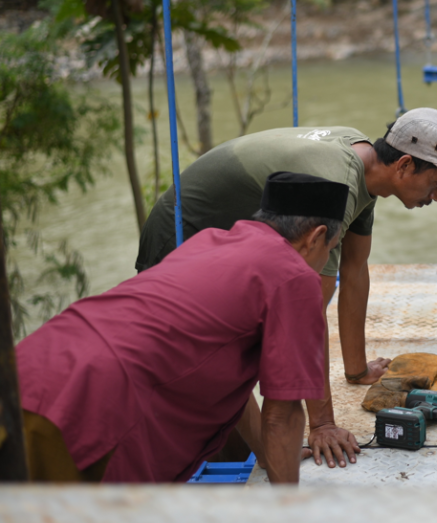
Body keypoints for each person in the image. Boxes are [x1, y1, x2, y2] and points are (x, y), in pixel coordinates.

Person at [136, 108, 437, 466]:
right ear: (405, 165)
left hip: (227, 239)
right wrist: (323, 424)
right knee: (207, 373)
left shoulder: (365, 173)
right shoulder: (336, 183)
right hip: (182, 232)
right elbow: (307, 312)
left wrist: (357, 370)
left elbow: (354, 270)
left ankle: (256, 451)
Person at [17, 172, 351, 483]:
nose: (326, 262)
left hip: (31, 362)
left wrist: (266, 455)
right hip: (95, 399)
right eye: (330, 249)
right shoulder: (293, 275)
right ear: (316, 237)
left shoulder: (210, 240)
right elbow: (282, 414)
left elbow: (232, 385)